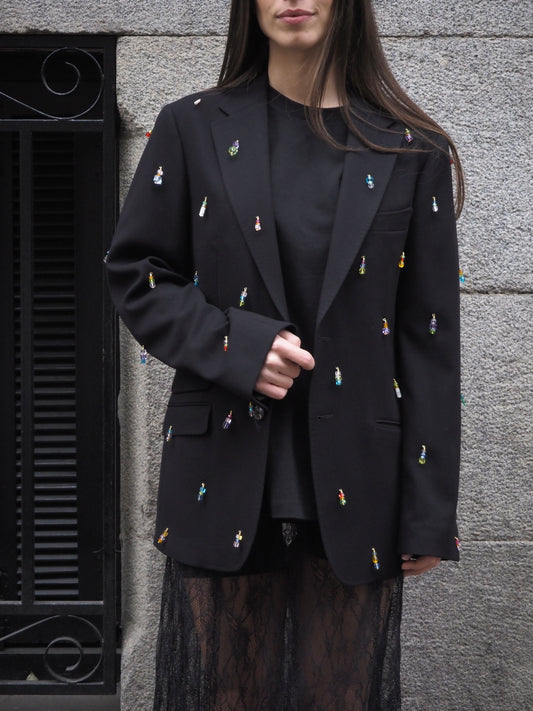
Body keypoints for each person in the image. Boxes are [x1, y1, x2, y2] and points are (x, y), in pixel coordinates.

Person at [106, 0, 464, 708]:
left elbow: (429, 340)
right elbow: (137, 274)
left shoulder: (410, 147)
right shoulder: (192, 126)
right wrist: (237, 347)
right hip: (223, 462)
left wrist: (428, 508)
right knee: (227, 693)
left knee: (340, 696)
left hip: (358, 471)